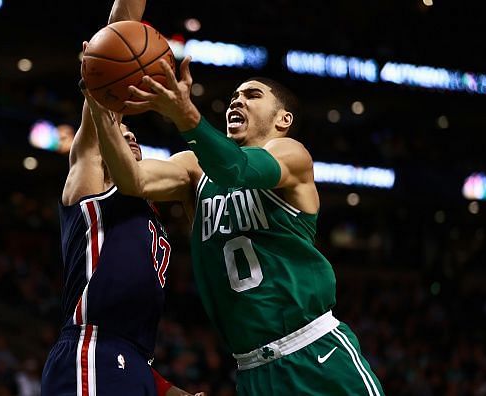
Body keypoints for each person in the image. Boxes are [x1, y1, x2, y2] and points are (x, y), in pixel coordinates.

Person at [85, 26, 385, 395]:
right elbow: (131, 180)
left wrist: (185, 115)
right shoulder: (196, 168)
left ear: (282, 120)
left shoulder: (291, 154)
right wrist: (99, 101)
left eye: (252, 95)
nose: (236, 101)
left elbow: (237, 169)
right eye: (233, 96)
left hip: (315, 355)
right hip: (251, 370)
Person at [40, 2, 202, 395]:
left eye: (137, 139)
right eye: (122, 132)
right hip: (91, 346)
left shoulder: (148, 207)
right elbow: (115, 41)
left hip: (134, 358)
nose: (130, 136)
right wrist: (99, 77)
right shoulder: (90, 180)